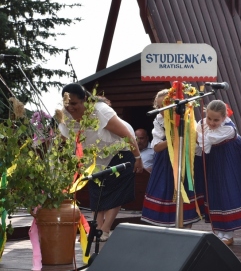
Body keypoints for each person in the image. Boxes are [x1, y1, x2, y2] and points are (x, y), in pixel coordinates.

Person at [60, 83, 142, 241]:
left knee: (115, 189)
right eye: (67, 104)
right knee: (96, 190)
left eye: (74, 104)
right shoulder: (64, 115)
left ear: (84, 100)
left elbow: (126, 135)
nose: (70, 107)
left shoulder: (100, 110)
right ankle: (96, 228)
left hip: (121, 150)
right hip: (94, 155)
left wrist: (138, 158)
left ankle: (105, 228)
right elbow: (63, 141)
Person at [141, 87, 202, 228]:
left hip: (185, 159)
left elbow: (196, 141)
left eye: (167, 105)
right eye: (160, 106)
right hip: (165, 163)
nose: (163, 109)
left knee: (186, 191)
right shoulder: (159, 120)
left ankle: (185, 226)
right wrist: (173, 139)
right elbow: (156, 147)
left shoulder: (186, 116)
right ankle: (166, 227)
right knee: (166, 192)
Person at [196, 100, 241, 245]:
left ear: (224, 117)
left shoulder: (228, 129)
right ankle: (219, 231)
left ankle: (228, 233)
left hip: (230, 161)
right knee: (215, 191)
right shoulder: (202, 123)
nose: (212, 122)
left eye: (216, 119)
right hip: (214, 160)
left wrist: (198, 134)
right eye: (209, 118)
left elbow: (204, 141)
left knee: (228, 191)